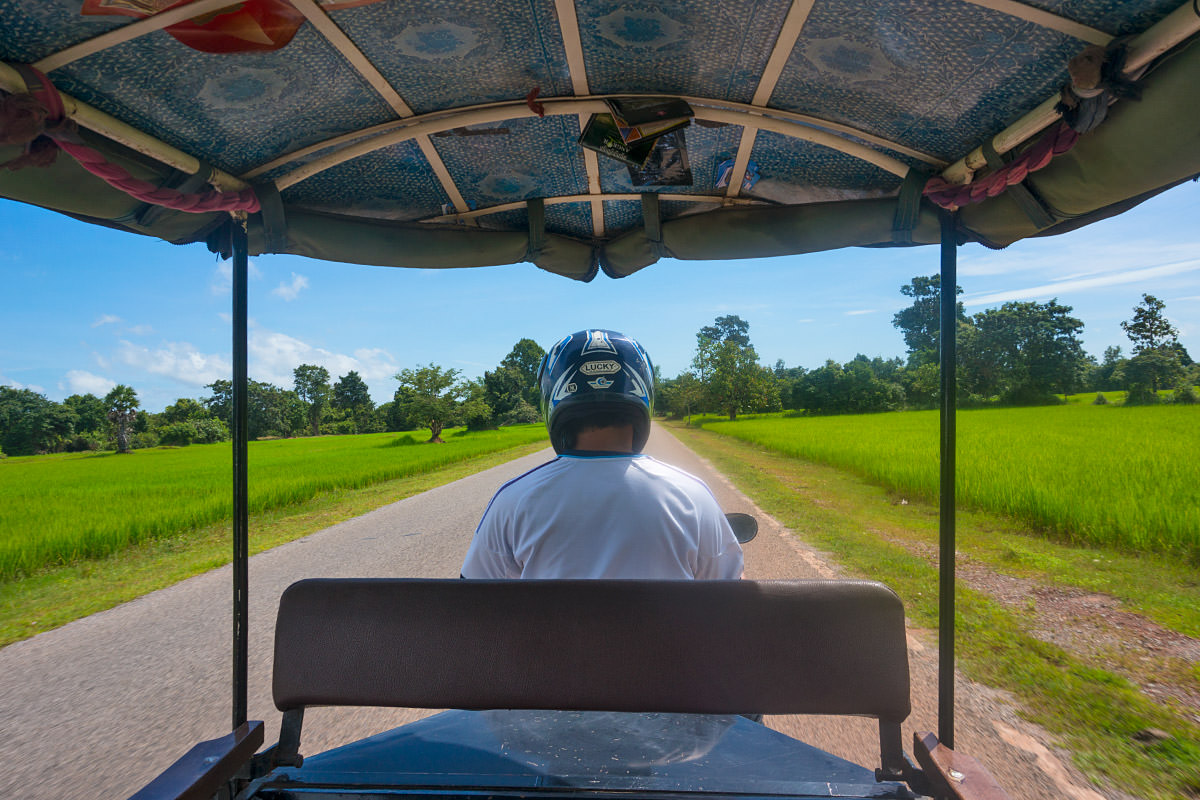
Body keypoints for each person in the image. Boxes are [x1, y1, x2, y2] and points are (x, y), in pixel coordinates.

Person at [461, 329, 743, 580]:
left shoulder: (513, 500)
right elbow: (727, 595)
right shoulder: (693, 496)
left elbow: (474, 598)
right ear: (643, 392)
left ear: (553, 398)